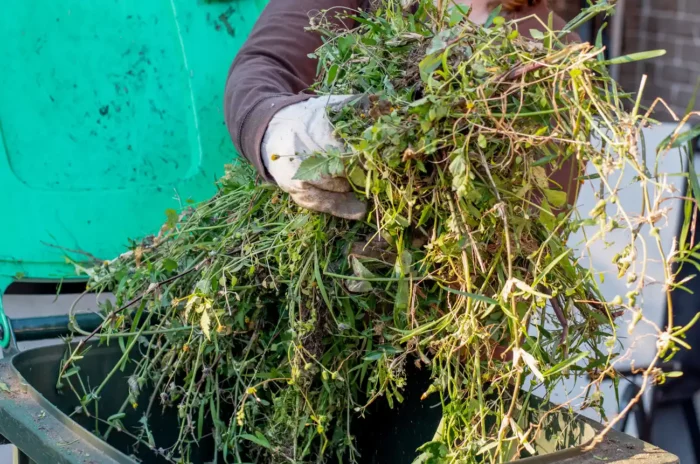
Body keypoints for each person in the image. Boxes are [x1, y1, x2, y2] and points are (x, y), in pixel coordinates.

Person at [225, 0, 580, 221]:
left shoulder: (552, 47)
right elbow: (262, 67)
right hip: (308, 288)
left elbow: (534, 217)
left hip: (454, 320)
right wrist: (281, 129)